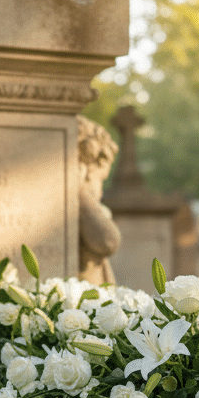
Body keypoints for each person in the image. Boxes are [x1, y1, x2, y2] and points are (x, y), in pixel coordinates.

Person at [77, 117, 121, 285]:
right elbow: (108, 241)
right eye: (101, 179)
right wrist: (80, 190)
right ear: (85, 170)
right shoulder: (82, 199)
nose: (101, 190)